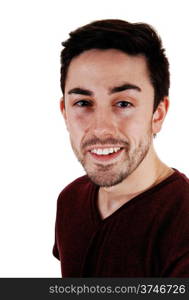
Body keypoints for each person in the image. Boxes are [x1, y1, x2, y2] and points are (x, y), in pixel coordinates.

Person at [53, 19, 189, 277]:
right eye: (83, 103)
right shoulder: (70, 199)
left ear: (157, 114)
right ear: (65, 113)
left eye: (124, 103)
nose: (101, 129)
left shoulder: (181, 221)